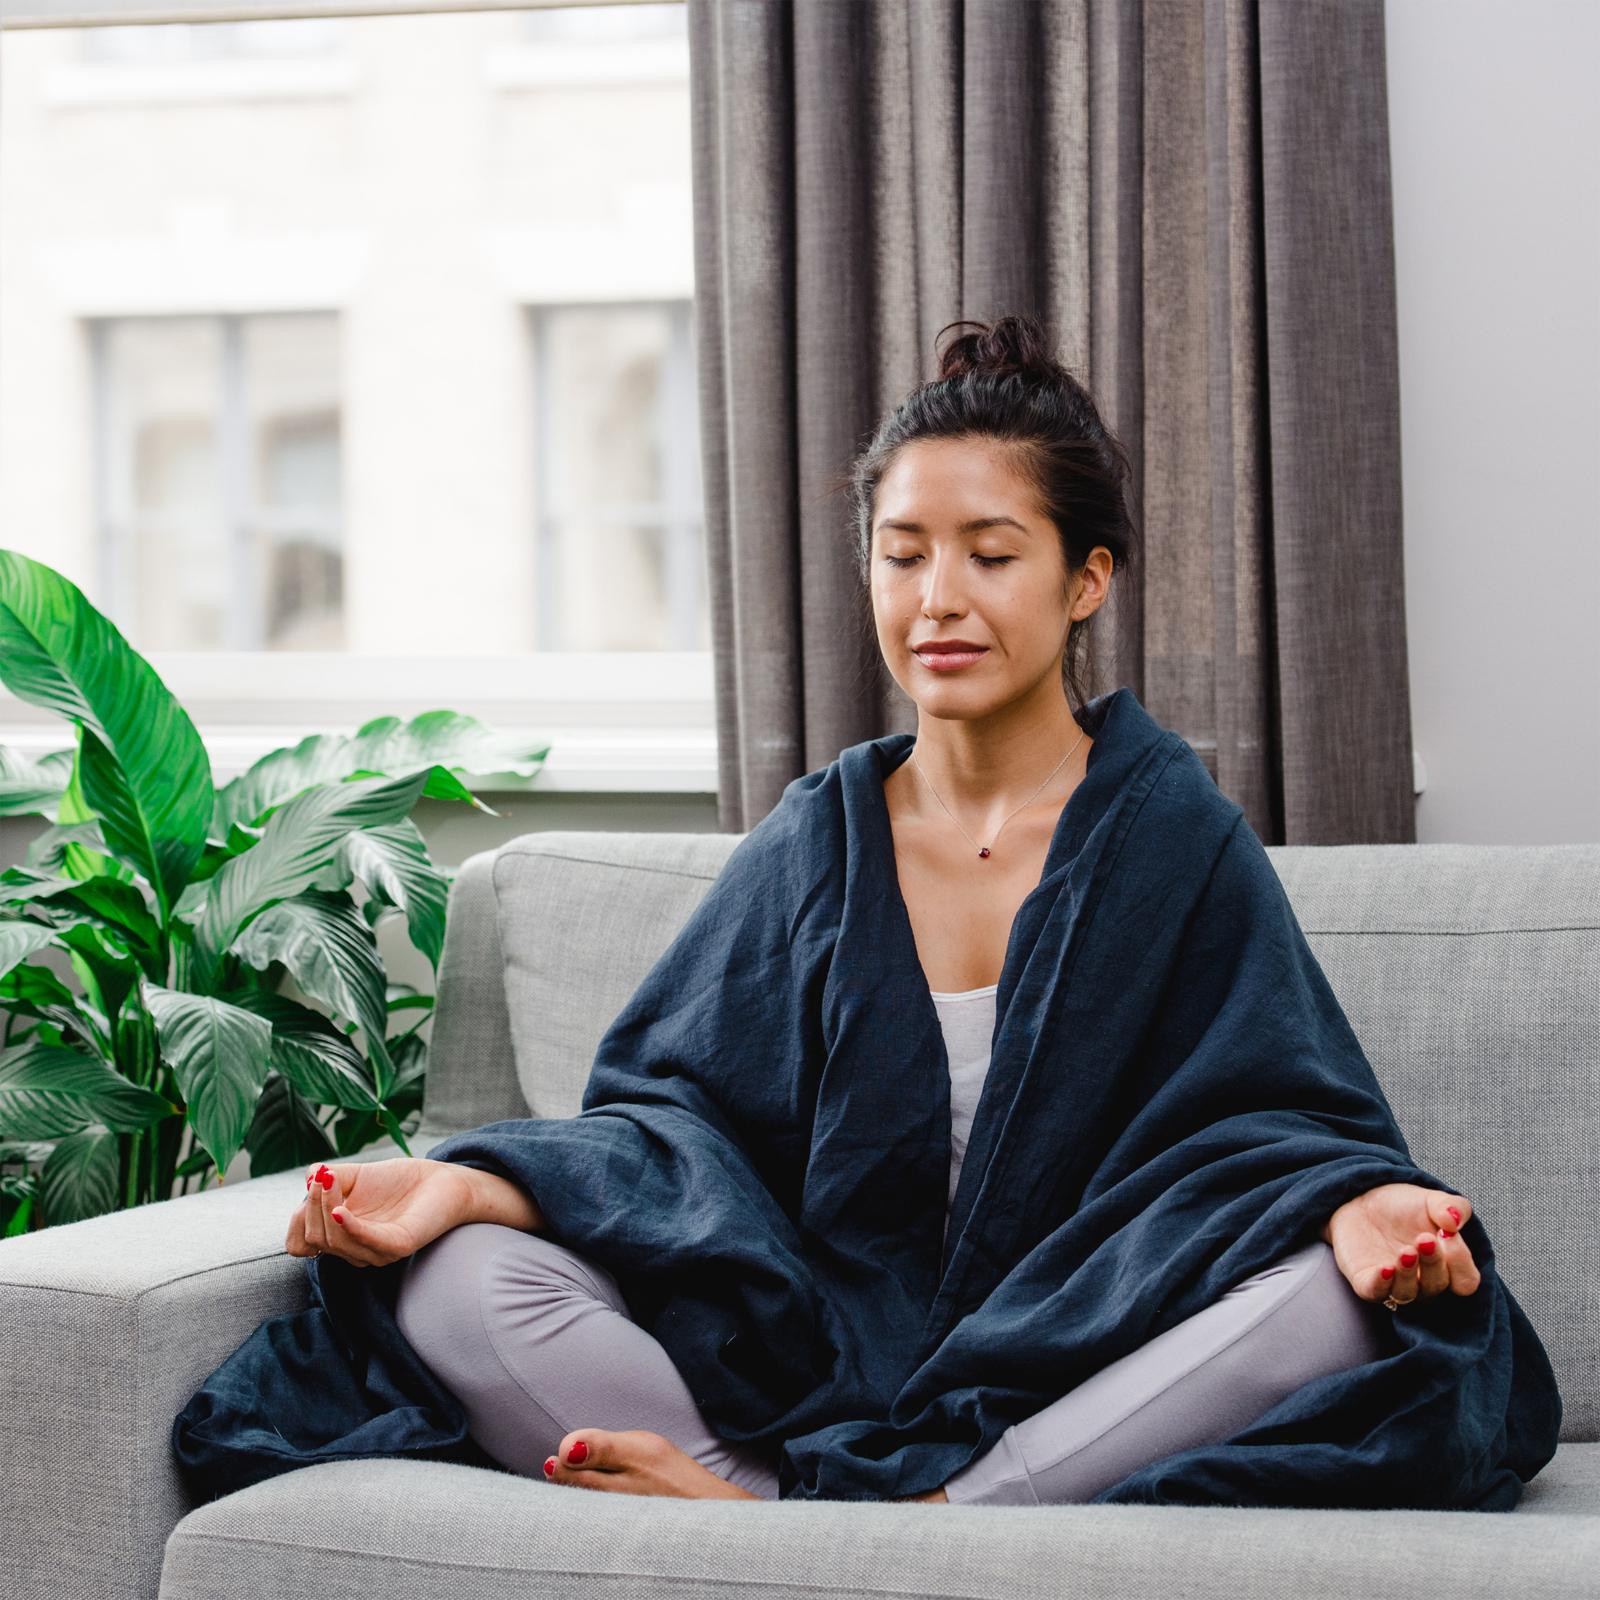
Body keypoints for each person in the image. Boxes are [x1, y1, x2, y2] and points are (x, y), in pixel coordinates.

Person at [282, 315, 1511, 1508]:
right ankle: (838, 1515)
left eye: (991, 554)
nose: (937, 599)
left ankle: (823, 1522)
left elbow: (1270, 1122)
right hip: (811, 1352)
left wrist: (1351, 1203)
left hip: (1077, 1353)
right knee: (454, 1281)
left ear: (1086, 580)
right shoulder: (815, 839)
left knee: (1331, 1303)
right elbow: (672, 1138)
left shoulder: (1172, 835)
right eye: (904, 553)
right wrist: (468, 1188)